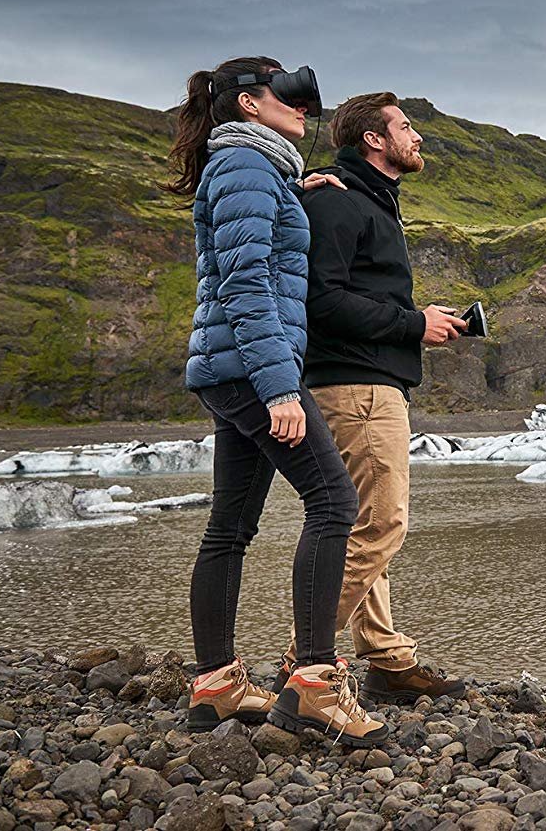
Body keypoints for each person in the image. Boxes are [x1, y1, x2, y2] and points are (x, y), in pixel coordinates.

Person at [167, 56, 389, 746]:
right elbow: (244, 284)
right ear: (248, 104)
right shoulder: (241, 168)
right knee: (334, 503)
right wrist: (279, 387)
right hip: (251, 370)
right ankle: (316, 686)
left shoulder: (257, 169)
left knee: (230, 525)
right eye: (284, 95)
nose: (301, 106)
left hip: (234, 367)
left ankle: (218, 686)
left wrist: (295, 185)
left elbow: (260, 253)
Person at [275, 91, 470, 704]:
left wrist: (418, 320)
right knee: (383, 523)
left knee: (364, 523)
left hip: (363, 381)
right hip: (355, 388)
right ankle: (301, 658)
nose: (418, 138)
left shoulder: (366, 202)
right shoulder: (339, 203)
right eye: (406, 128)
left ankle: (386, 657)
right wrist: (414, 324)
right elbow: (322, 301)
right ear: (374, 141)